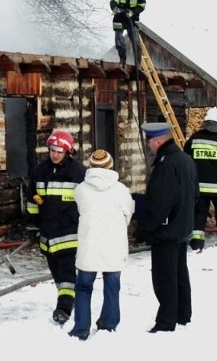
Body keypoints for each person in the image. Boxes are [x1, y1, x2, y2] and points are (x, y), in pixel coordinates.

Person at [67, 149, 134, 341]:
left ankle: (81, 327)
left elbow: (80, 210)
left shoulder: (80, 189)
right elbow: (128, 214)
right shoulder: (121, 190)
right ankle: (109, 323)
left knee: (83, 287)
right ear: (111, 165)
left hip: (89, 245)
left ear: (91, 166)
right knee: (112, 286)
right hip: (114, 245)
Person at [138, 122, 198, 333]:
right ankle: (183, 313)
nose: (149, 147)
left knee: (165, 278)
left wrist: (147, 227)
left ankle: (166, 321)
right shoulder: (185, 159)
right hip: (182, 227)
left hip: (167, 230)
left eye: (149, 142)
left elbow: (160, 202)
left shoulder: (166, 164)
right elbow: (195, 194)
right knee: (180, 274)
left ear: (157, 141)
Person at [26, 130, 87, 325]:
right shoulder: (39, 171)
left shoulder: (79, 173)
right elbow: (32, 200)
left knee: (67, 271)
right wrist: (31, 227)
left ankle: (64, 307)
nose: (55, 154)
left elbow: (85, 203)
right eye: (52, 150)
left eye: (60, 151)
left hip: (69, 232)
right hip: (47, 234)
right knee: (57, 273)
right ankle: (68, 296)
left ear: (68, 152)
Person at [184, 107, 217, 250]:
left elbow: (186, 158)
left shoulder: (194, 138)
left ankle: (197, 244)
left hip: (199, 186)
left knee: (199, 214)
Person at [110, 0, 146, 67]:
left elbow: (142, 5)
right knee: (119, 40)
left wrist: (133, 12)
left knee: (136, 43)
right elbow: (113, 0)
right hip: (119, 18)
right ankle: (122, 61)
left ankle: (138, 64)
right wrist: (114, 8)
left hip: (132, 19)